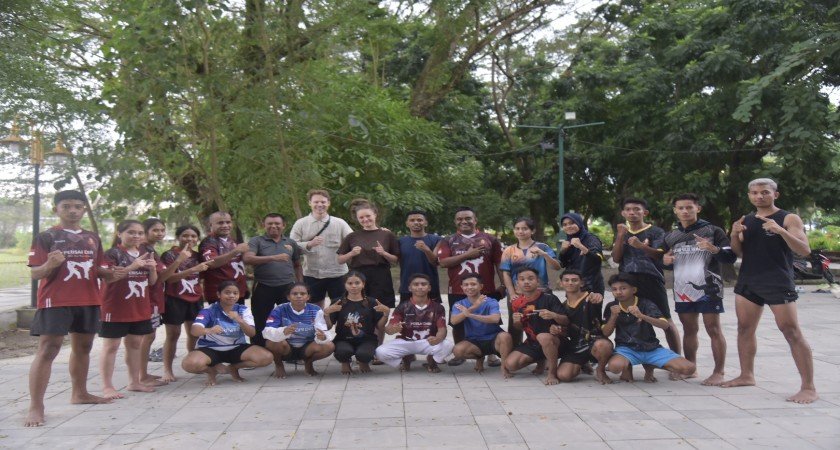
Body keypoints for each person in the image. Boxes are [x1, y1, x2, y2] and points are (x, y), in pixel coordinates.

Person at [721, 178, 818, 403]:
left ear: (775, 194)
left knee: (791, 331)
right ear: (749, 196)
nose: (759, 196)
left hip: (778, 281)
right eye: (754, 193)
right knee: (744, 329)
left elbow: (804, 250)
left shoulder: (788, 218)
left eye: (764, 192)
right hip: (749, 281)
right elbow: (738, 253)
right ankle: (746, 375)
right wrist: (735, 234)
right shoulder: (746, 219)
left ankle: (809, 387)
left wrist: (780, 231)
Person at [25, 190, 111, 427]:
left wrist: (114, 274)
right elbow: (34, 272)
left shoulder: (93, 238)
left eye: (77, 206)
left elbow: (100, 270)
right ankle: (36, 406)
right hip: (56, 301)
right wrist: (49, 264)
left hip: (89, 299)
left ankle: (80, 393)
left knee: (84, 347)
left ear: (84, 209)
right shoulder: (46, 236)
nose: (73, 210)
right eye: (66, 206)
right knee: (48, 350)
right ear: (56, 209)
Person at [661, 193, 736, 385]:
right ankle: (690, 368)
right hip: (683, 289)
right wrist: (665, 261)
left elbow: (730, 257)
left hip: (709, 288)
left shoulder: (713, 230)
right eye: (681, 208)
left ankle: (719, 372)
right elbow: (666, 260)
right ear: (675, 211)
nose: (685, 211)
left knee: (713, 328)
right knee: (689, 329)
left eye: (689, 207)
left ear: (698, 208)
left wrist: (713, 249)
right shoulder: (671, 235)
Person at [98, 220, 160, 399]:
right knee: (111, 346)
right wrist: (133, 266)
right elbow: (109, 278)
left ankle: (134, 382)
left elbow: (152, 282)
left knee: (135, 344)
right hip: (115, 307)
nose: (136, 236)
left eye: (140, 233)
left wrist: (152, 269)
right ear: (120, 234)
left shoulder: (146, 253)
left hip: (140, 306)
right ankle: (107, 386)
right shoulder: (112, 254)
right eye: (131, 232)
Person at [611, 198, 681, 353]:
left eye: (637, 209)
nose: (632, 212)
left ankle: (677, 358)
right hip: (626, 281)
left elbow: (658, 254)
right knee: (623, 318)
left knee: (666, 320)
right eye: (628, 209)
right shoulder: (623, 232)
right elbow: (616, 258)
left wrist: (641, 246)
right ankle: (625, 358)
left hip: (651, 279)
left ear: (645, 212)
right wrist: (620, 236)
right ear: (623, 213)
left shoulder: (656, 231)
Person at [435, 206, 502, 365]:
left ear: (475, 220)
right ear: (455, 221)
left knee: (490, 319)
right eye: (459, 219)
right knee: (458, 322)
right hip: (458, 289)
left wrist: (504, 285)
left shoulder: (490, 239)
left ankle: (492, 353)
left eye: (468, 218)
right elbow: (443, 262)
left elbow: (499, 264)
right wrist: (468, 255)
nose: (463, 221)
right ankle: (461, 353)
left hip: (485, 288)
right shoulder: (448, 240)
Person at [602, 273, 695, 382]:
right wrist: (613, 316)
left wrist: (642, 316)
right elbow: (605, 333)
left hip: (651, 348)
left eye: (623, 288)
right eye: (614, 289)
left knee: (689, 368)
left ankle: (650, 365)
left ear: (633, 290)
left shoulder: (646, 303)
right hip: (626, 349)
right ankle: (628, 368)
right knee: (614, 367)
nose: (618, 292)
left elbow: (665, 325)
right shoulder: (612, 306)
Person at [181, 281, 273, 386]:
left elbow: (252, 333)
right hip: (210, 349)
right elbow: (194, 330)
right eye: (227, 292)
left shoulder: (243, 310)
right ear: (219, 294)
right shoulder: (209, 310)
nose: (231, 296)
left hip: (236, 347)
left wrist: (239, 320)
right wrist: (208, 330)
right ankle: (212, 371)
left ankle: (233, 368)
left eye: (235, 293)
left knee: (266, 357)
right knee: (189, 364)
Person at [243, 213, 303, 347]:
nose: (273, 226)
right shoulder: (256, 241)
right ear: (263, 225)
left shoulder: (290, 242)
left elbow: (297, 265)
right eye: (269, 223)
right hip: (264, 286)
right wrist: (273, 258)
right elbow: (247, 259)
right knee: (260, 320)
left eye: (277, 223)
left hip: (288, 287)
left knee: (290, 319)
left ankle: (291, 351)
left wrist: (300, 284)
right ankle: (259, 350)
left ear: (284, 226)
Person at [160, 225, 210, 382]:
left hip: (195, 298)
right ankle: (167, 370)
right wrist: (191, 269)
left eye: (193, 236)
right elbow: (169, 278)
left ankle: (192, 363)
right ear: (177, 237)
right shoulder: (169, 255)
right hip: (174, 298)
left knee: (194, 333)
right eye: (185, 235)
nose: (189, 239)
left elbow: (202, 276)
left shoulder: (198, 255)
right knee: (173, 335)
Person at [501, 217, 561, 347]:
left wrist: (544, 254)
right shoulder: (509, 250)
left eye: (524, 228)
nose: (520, 231)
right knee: (516, 323)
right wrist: (511, 293)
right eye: (517, 228)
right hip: (517, 294)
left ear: (532, 231)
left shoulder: (542, 247)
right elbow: (506, 273)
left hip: (541, 293)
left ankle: (544, 354)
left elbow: (556, 267)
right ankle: (516, 350)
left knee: (543, 322)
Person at [375, 274, 454, 372]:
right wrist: (393, 329)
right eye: (416, 284)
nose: (420, 287)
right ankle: (406, 358)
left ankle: (432, 360)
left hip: (428, 342)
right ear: (409, 288)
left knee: (448, 345)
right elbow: (389, 330)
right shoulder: (402, 307)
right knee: (380, 352)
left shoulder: (438, 307)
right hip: (406, 342)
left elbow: (442, 329)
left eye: (423, 284)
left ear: (429, 287)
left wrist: (438, 339)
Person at [290, 189, 354, 308]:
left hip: (337, 274)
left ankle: (340, 327)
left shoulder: (340, 223)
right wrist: (309, 244)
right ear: (310, 203)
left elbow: (354, 240)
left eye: (323, 202)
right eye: (316, 202)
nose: (320, 205)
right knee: (314, 308)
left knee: (342, 307)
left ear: (328, 203)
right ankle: (319, 327)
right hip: (312, 274)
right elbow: (291, 246)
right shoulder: (300, 223)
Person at [503, 268, 568, 385]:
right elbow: (519, 328)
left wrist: (554, 315)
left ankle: (552, 372)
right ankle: (541, 359)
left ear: (538, 281)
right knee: (511, 364)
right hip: (533, 342)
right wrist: (516, 322)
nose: (526, 282)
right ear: (517, 284)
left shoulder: (549, 298)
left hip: (556, 340)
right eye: (522, 279)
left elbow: (566, 320)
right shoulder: (517, 303)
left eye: (530, 278)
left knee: (543, 337)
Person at [262, 283, 335, 378]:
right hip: (286, 348)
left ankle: (308, 362)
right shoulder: (280, 309)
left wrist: (322, 336)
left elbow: (323, 330)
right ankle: (279, 365)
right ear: (288, 297)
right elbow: (267, 331)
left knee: (329, 346)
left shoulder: (316, 310)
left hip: (307, 348)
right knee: (272, 342)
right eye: (295, 294)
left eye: (302, 293)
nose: (299, 296)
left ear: (308, 297)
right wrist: (283, 331)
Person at [324, 271, 390, 374]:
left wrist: (386, 314)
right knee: (343, 352)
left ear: (363, 284)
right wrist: (327, 314)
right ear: (345, 285)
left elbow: (380, 327)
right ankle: (345, 363)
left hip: (367, 339)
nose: (353, 286)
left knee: (364, 354)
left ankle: (363, 361)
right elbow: (328, 327)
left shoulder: (372, 302)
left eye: (357, 283)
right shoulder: (338, 302)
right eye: (350, 283)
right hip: (343, 339)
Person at [554, 270, 613, 384]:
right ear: (561, 283)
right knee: (563, 376)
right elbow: (566, 330)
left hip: (595, 342)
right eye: (566, 280)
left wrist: (598, 295)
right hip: (576, 346)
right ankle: (583, 364)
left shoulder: (590, 297)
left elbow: (597, 296)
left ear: (581, 283)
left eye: (574, 280)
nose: (570, 283)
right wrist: (558, 330)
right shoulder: (563, 306)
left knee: (603, 345)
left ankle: (600, 370)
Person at [450, 274, 513, 378]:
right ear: (461, 287)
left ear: (481, 286)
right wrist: (473, 307)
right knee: (457, 351)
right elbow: (454, 321)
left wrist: (470, 315)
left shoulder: (490, 301)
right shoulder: (459, 304)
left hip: (494, 338)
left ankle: (504, 366)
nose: (469, 287)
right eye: (466, 285)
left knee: (505, 336)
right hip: (474, 340)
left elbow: (495, 319)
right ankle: (480, 357)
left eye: (473, 284)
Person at [138, 218, 168, 386]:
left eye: (162, 230)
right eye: (155, 230)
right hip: (146, 298)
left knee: (149, 336)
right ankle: (141, 376)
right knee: (146, 336)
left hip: (155, 297)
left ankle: (143, 373)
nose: (160, 233)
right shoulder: (142, 249)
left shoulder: (151, 249)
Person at [199, 211, 250, 304]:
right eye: (220, 223)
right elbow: (211, 263)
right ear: (210, 224)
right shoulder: (208, 242)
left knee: (238, 318)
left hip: (237, 292)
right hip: (219, 294)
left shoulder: (233, 240)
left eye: (228, 222)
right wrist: (235, 251)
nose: (225, 225)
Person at [558, 212, 606, 302]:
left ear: (579, 223)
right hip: (572, 285)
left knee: (591, 315)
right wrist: (563, 251)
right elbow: (563, 264)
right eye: (564, 224)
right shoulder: (568, 241)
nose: (568, 226)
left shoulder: (591, 239)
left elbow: (597, 260)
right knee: (573, 314)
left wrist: (581, 247)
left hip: (592, 287)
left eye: (572, 223)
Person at [397, 210, 442, 303]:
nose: (416, 222)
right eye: (412, 220)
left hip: (430, 287)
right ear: (407, 223)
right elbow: (393, 260)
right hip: (407, 287)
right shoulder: (400, 241)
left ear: (425, 223)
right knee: (407, 316)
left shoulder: (437, 239)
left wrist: (426, 249)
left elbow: (436, 262)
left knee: (432, 316)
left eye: (419, 220)